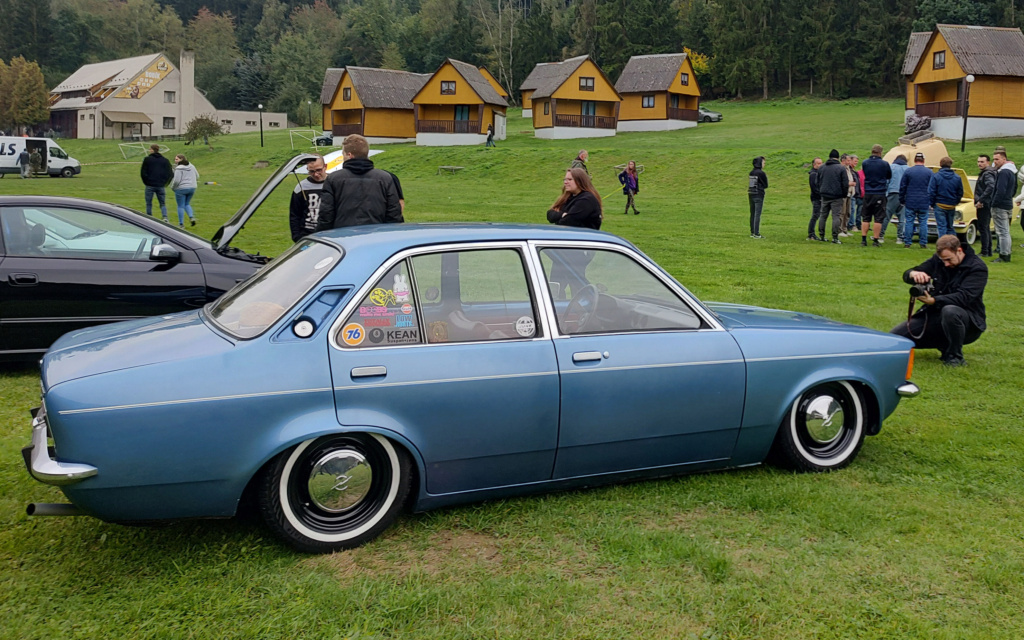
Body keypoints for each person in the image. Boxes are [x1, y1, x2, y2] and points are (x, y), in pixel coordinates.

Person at [891, 235, 986, 367]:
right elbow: (909, 274)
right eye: (943, 260)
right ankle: (944, 343)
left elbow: (964, 297)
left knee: (950, 311)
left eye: (949, 260)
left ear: (959, 251)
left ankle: (955, 356)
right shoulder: (939, 259)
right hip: (934, 315)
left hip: (968, 322)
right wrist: (914, 274)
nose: (946, 264)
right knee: (894, 338)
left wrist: (934, 300)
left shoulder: (977, 268)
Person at [316, 134, 402, 230]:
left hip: (343, 237)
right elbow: (394, 214)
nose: (343, 157)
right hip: (377, 236)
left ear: (349, 155)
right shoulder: (385, 178)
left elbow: (326, 215)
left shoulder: (333, 179)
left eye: (343, 154)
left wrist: (321, 235)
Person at [546, 167, 602, 299]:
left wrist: (561, 216)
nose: (566, 182)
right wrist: (562, 215)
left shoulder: (586, 200)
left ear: (580, 181)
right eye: (565, 179)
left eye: (570, 179)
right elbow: (549, 214)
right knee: (556, 285)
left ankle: (589, 308)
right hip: (564, 249)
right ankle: (558, 309)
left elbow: (567, 222)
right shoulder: (570, 197)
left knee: (577, 284)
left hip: (578, 250)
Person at [289, 155, 327, 241]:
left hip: (328, 234)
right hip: (307, 234)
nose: (316, 174)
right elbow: (294, 214)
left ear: (325, 167)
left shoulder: (334, 184)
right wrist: (296, 236)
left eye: (319, 170)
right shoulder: (301, 187)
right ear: (307, 169)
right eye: (311, 171)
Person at [860, 144, 891, 247]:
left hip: (868, 192)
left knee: (866, 217)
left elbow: (864, 173)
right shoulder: (884, 164)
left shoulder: (865, 163)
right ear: (880, 152)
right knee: (878, 218)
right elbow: (889, 176)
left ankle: (863, 239)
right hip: (880, 192)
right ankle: (875, 240)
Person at [900, 152, 933, 248]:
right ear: (923, 160)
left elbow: (903, 187)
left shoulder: (908, 171)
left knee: (909, 221)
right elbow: (932, 188)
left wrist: (902, 199)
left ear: (915, 160)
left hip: (910, 200)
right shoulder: (929, 172)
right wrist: (931, 201)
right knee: (923, 222)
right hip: (924, 201)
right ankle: (923, 243)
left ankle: (907, 242)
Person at [929, 156, 963, 238]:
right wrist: (955, 202)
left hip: (939, 204)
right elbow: (960, 192)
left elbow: (931, 191)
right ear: (951, 165)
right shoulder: (957, 177)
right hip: (951, 205)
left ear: (940, 164)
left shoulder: (936, 176)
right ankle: (953, 245)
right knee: (950, 227)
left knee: (941, 227)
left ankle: (943, 245)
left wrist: (932, 203)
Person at [992, 150, 1016, 263]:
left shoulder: (1003, 172)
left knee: (1002, 232)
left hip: (1001, 205)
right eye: (994, 159)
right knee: (1005, 231)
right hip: (1008, 203)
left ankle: (1004, 255)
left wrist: (994, 203)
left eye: (997, 159)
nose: (995, 162)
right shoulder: (1012, 172)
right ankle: (1006, 252)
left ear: (1004, 159)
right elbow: (1014, 189)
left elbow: (1000, 190)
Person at [818, 149, 846, 243]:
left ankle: (821, 235)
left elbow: (817, 181)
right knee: (836, 216)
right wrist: (844, 194)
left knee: (823, 215)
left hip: (824, 195)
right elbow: (845, 183)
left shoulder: (822, 167)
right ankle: (835, 237)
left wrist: (821, 190)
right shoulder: (841, 168)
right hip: (837, 196)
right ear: (838, 157)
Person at [140, 144, 173, 221]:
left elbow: (143, 172)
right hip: (160, 185)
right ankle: (165, 216)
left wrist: (146, 181)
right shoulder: (165, 161)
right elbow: (170, 173)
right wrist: (165, 182)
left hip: (150, 184)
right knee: (162, 202)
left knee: (149, 202)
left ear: (152, 150)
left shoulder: (147, 159)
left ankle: (149, 217)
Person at [973, 154, 997, 257]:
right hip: (985, 202)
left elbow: (990, 186)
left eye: (982, 162)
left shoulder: (987, 174)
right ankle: (988, 250)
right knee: (985, 227)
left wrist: (981, 200)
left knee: (983, 227)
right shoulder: (986, 173)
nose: (979, 164)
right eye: (978, 161)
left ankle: (985, 251)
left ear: (988, 162)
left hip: (984, 204)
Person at [883, 154, 909, 244]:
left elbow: (887, 181)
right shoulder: (908, 169)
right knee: (902, 218)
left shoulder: (891, 167)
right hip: (904, 194)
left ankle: (881, 235)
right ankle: (900, 237)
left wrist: (885, 192)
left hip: (892, 193)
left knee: (887, 215)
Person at [169, 154, 199, 227]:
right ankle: (191, 217)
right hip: (192, 188)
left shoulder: (178, 168)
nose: (175, 161)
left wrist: (173, 188)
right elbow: (197, 176)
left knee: (180, 206)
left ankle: (181, 224)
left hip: (181, 189)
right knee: (187, 203)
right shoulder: (192, 166)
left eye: (177, 159)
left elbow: (176, 181)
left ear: (181, 159)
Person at [747, 156, 768, 239]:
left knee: (752, 213)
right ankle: (757, 233)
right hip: (759, 194)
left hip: (751, 193)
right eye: (763, 163)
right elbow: (765, 184)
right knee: (757, 214)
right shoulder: (761, 173)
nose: (764, 164)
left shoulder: (751, 172)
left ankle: (752, 232)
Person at [807, 157, 823, 240]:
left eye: (821, 163)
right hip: (816, 198)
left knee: (818, 215)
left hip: (819, 197)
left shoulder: (819, 173)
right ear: (814, 165)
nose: (821, 165)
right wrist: (820, 195)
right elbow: (814, 188)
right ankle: (811, 233)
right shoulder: (813, 174)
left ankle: (812, 233)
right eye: (818, 163)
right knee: (815, 215)